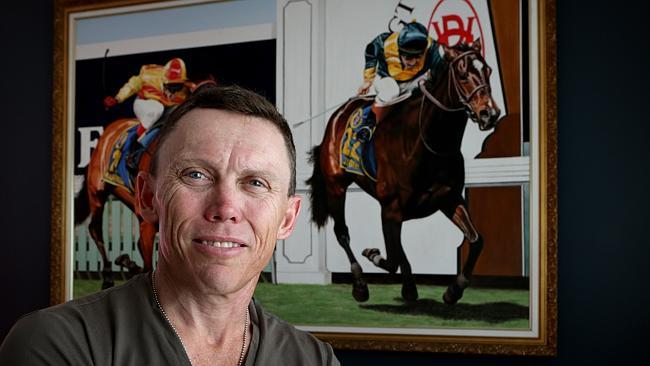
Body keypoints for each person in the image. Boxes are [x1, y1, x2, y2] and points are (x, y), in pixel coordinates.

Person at [0, 84, 341, 366]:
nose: (225, 208)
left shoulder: (313, 360)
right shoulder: (57, 345)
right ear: (147, 199)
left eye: (255, 183)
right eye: (196, 175)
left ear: (287, 218)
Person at [356, 21, 444, 141]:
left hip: (413, 81)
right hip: (387, 78)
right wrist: (368, 80)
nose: (413, 63)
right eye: (408, 58)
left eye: (418, 57)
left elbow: (439, 70)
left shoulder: (431, 47)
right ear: (399, 51)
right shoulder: (384, 43)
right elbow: (371, 51)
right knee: (392, 91)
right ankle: (368, 126)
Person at [104, 58, 196, 172]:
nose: (173, 91)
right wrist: (117, 98)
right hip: (145, 103)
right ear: (163, 79)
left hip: (167, 109)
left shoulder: (186, 88)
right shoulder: (150, 74)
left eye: (177, 87)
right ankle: (133, 150)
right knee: (156, 109)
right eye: (170, 86)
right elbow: (132, 85)